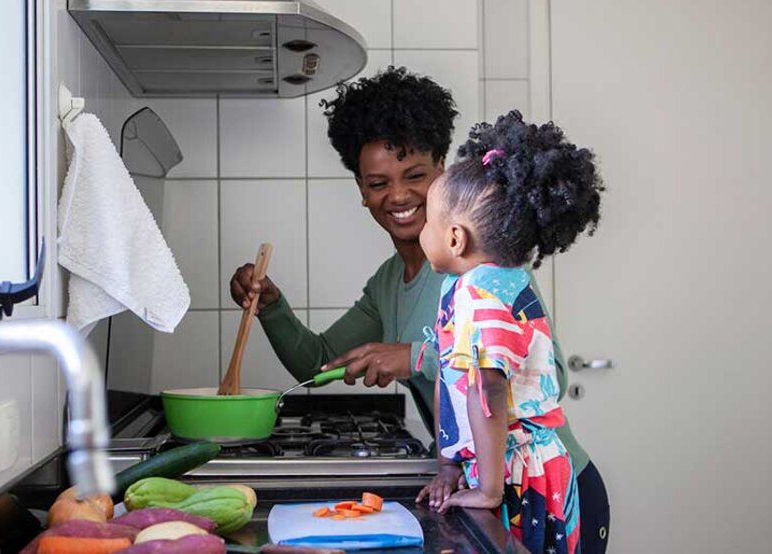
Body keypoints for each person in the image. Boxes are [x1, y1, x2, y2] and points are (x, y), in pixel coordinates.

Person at [229, 67, 610, 553]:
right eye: (378, 182)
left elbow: (544, 374)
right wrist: (272, 307)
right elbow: (317, 362)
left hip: (549, 494)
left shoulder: (486, 266)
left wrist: (414, 358)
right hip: (492, 492)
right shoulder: (390, 282)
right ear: (362, 191)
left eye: (416, 176)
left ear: (442, 174)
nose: (400, 195)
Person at [414, 112, 603, 553]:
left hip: (524, 482)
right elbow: (450, 376)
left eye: (428, 222)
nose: (422, 232)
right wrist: (449, 464)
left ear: (456, 239)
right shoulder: (468, 287)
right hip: (501, 471)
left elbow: (488, 392)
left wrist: (489, 492)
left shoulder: (483, 297)